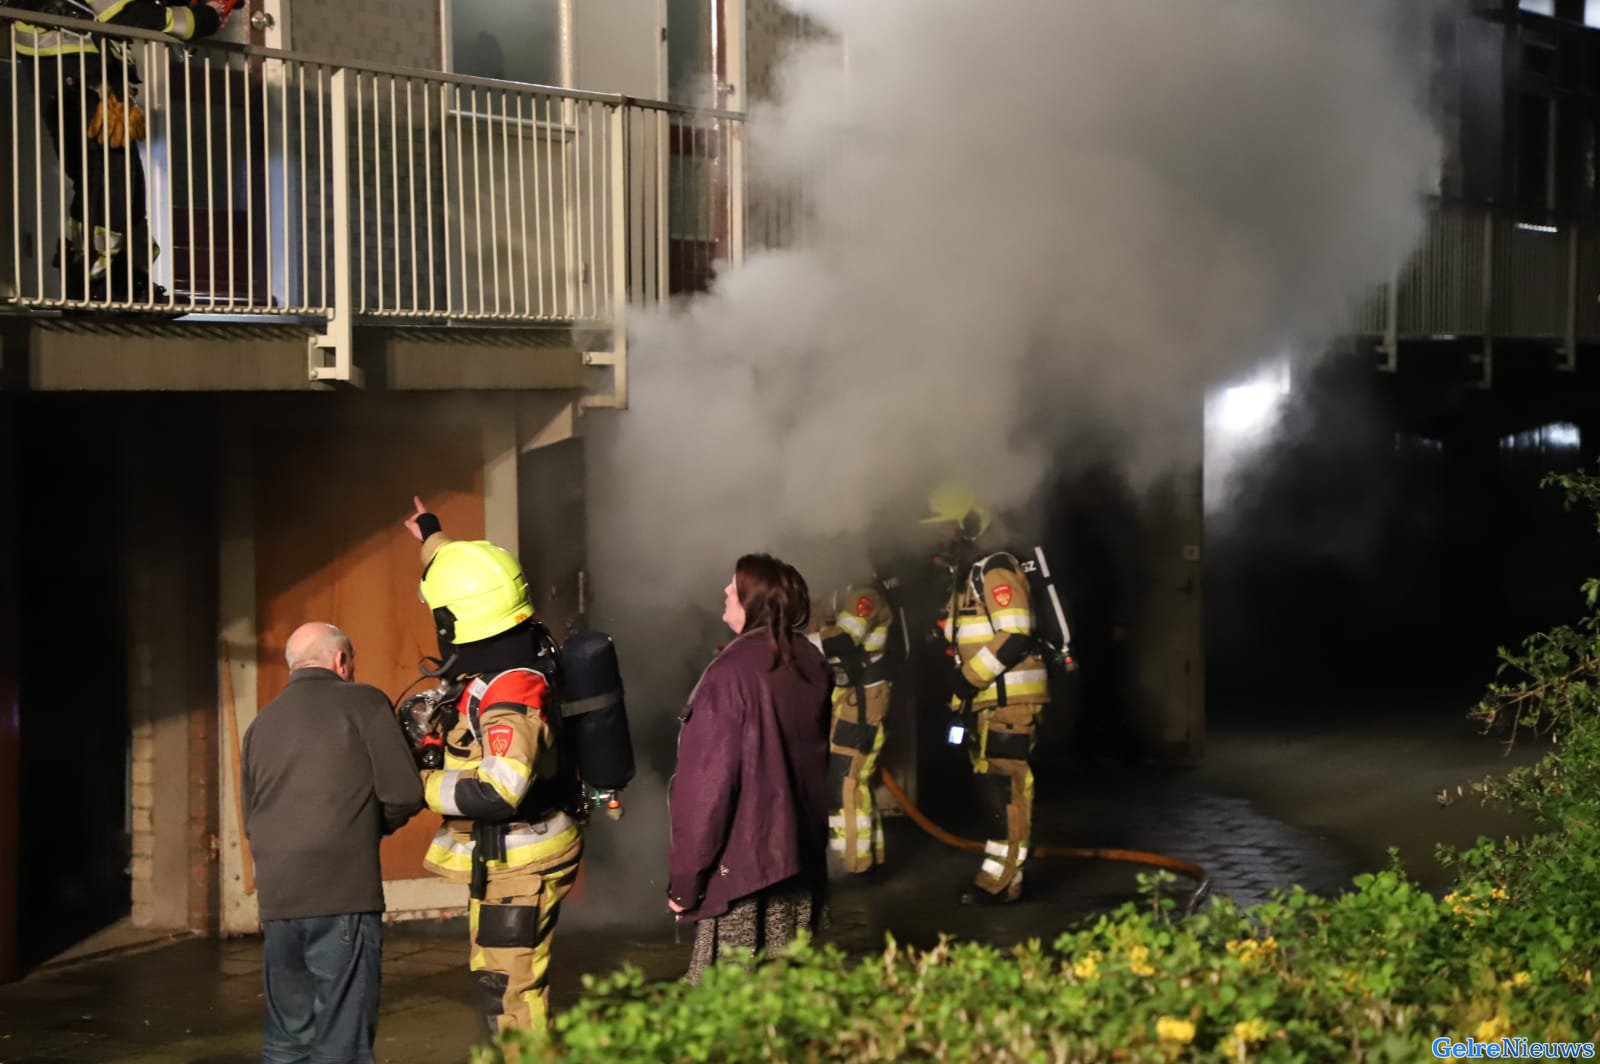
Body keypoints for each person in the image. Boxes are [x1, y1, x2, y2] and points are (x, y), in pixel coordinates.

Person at [401, 498, 581, 1036]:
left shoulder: (511, 690)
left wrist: (423, 785)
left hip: (520, 866)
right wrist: (430, 534)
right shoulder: (510, 633)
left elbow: (499, 791)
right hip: (505, 861)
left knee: (510, 997)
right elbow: (471, 579)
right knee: (496, 984)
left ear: (455, 620)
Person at [241, 622, 425, 1064]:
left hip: (278, 902)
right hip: (341, 893)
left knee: (287, 1038)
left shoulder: (260, 724)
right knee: (343, 1041)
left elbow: (252, 818)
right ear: (341, 661)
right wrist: (366, 827)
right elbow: (404, 793)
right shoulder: (361, 701)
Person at [668, 555, 831, 983]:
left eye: (733, 586)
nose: (725, 591)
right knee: (786, 999)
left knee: (727, 1010)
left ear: (753, 601)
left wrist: (686, 881)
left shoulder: (731, 674)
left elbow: (707, 788)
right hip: (799, 863)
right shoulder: (809, 664)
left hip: (742, 873)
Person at [13, 0, 237, 301]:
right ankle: (96, 286)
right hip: (77, 74)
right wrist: (206, 15)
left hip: (94, 74)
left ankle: (128, 284)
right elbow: (128, 11)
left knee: (125, 182)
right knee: (106, 180)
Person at [924, 484, 1049, 905]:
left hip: (1010, 699)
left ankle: (1002, 883)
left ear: (969, 526)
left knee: (1006, 788)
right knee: (991, 788)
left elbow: (1015, 633)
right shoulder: (967, 577)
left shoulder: (994, 568)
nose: (939, 537)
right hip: (987, 699)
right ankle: (1000, 876)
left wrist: (967, 680)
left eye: (944, 528)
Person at [814, 582, 894, 874]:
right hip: (844, 696)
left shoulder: (864, 595)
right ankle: (863, 856)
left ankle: (854, 866)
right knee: (848, 778)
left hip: (865, 698)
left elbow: (845, 640)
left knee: (846, 780)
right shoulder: (834, 595)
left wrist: (797, 644)